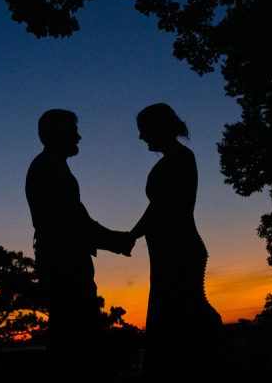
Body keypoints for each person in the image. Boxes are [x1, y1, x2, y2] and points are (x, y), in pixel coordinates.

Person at [25, 109, 133, 380]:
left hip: (62, 264)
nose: (79, 137)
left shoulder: (52, 167)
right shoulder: (49, 169)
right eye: (73, 131)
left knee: (72, 338)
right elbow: (74, 223)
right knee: (76, 341)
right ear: (58, 134)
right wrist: (118, 240)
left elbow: (76, 221)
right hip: (65, 267)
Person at [128, 103, 223, 381]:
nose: (141, 137)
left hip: (178, 249)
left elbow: (162, 208)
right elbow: (156, 208)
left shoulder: (181, 159)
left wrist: (129, 237)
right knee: (178, 312)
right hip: (168, 250)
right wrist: (132, 236)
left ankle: (208, 360)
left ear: (159, 128)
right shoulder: (174, 160)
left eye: (144, 130)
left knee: (181, 313)